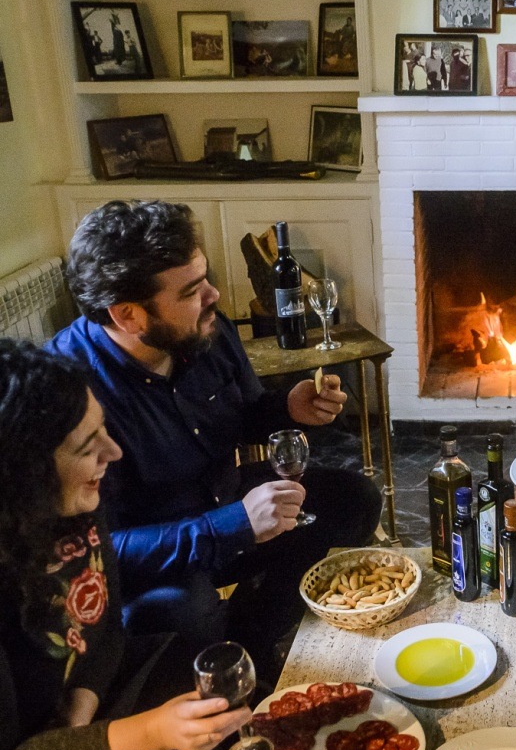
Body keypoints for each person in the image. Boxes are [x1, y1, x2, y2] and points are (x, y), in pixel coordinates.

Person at [47, 201, 382, 679]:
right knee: (185, 608)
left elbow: (243, 414)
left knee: (354, 500)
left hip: (226, 499)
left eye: (205, 277)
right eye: (191, 290)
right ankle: (209, 685)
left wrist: (289, 408)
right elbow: (98, 550)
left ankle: (252, 642)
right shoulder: (67, 391)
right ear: (128, 315)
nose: (214, 294)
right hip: (155, 552)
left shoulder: (205, 329)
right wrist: (229, 527)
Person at [0, 339, 249, 750]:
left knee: (203, 677)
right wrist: (153, 732)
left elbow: (102, 627)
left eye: (104, 430)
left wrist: (80, 720)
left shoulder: (72, 513)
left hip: (56, 731)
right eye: (89, 447)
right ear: (22, 475)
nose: (113, 455)